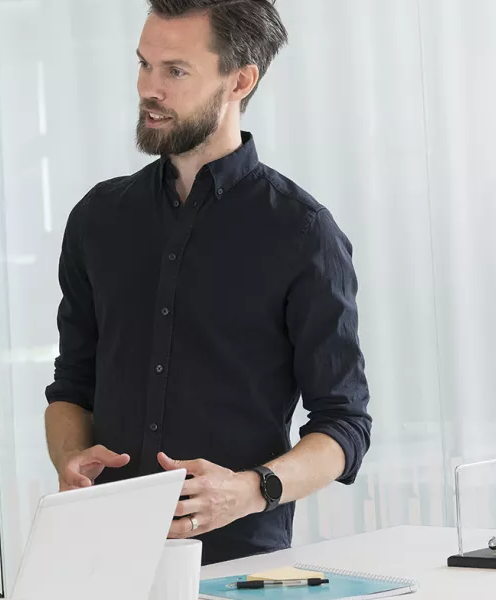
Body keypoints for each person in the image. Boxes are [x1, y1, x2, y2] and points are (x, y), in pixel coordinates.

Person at [44, 0, 373, 565]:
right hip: (102, 552)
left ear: (240, 80)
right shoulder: (97, 219)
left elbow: (344, 425)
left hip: (237, 563)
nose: (149, 88)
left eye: (175, 71)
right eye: (145, 65)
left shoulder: (302, 232)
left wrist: (251, 489)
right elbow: (72, 385)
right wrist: (69, 454)